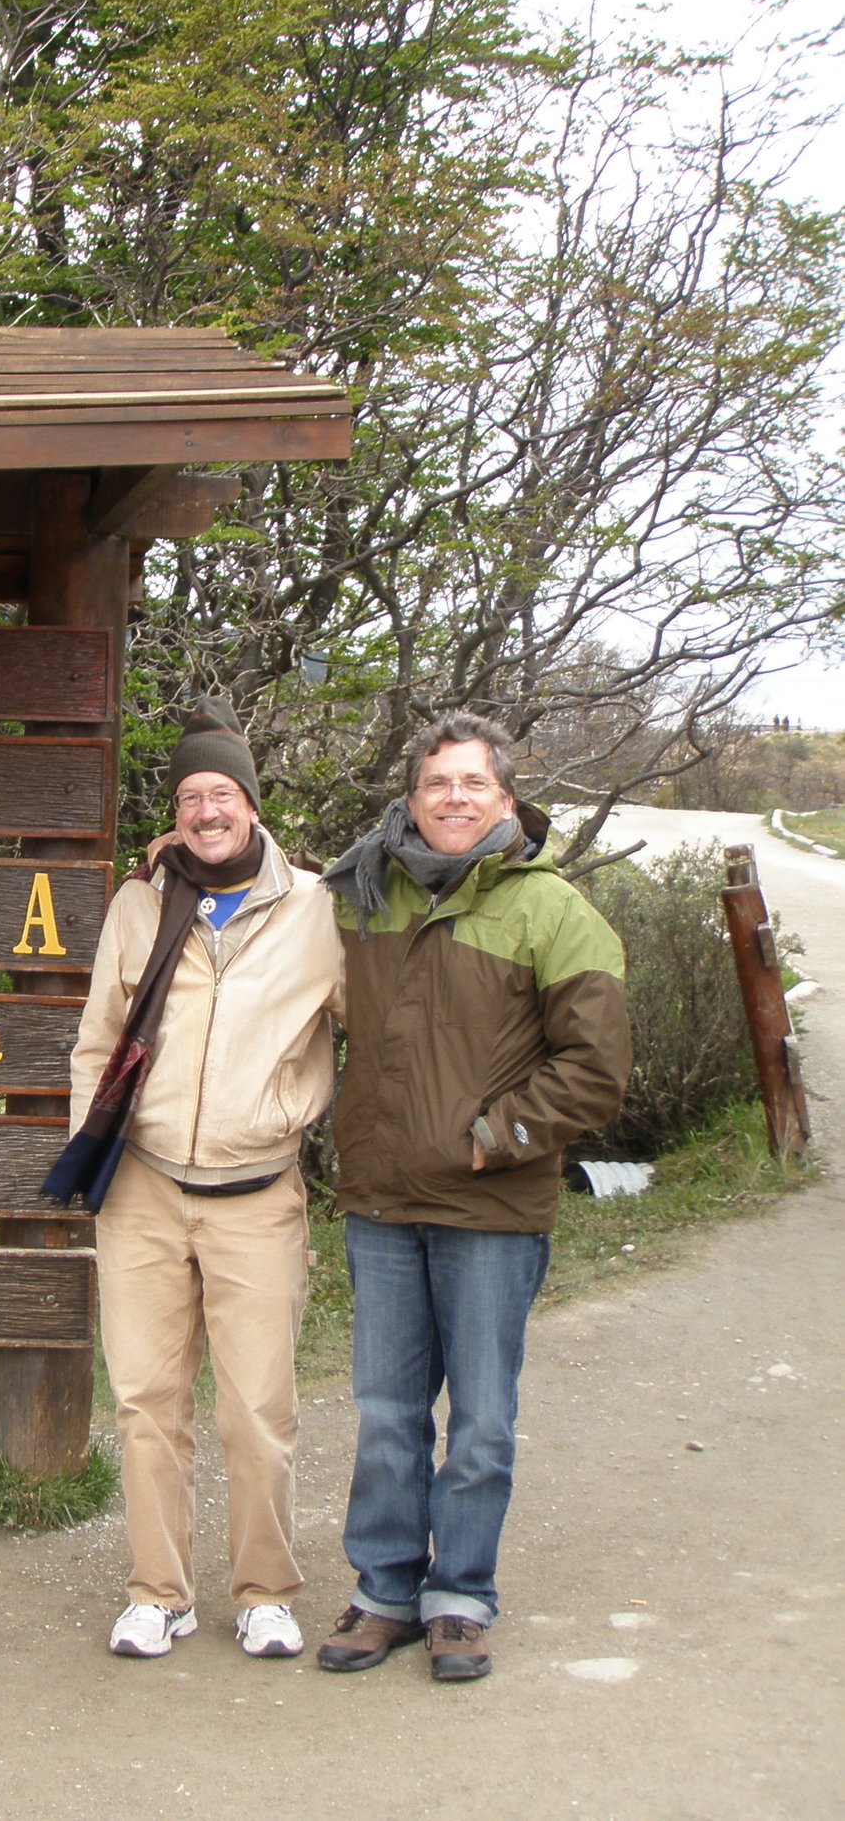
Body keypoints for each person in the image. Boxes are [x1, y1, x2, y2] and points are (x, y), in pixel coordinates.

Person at [316, 713, 630, 1681]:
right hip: (380, 1202)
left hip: (491, 1210)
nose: (452, 799)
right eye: (434, 785)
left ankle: (459, 1598)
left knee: (482, 1419)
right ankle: (383, 1594)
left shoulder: (551, 911)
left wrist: (497, 1139)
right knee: (386, 1413)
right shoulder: (365, 893)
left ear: (505, 798)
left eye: (471, 785)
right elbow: (253, 903)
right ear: (409, 799)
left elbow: (597, 1067)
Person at [66, 698, 343, 1661]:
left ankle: (265, 1590)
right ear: (175, 810)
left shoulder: (314, 908)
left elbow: (375, 1022)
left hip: (258, 1194)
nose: (205, 809)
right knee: (147, 1401)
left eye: (221, 791)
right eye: (190, 794)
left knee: (257, 1407)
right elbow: (98, 1039)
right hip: (144, 1190)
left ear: (252, 805)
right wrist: (90, 1147)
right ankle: (160, 1590)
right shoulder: (139, 903)